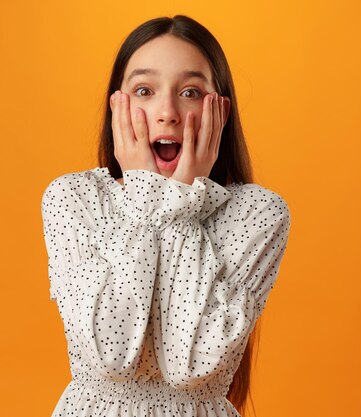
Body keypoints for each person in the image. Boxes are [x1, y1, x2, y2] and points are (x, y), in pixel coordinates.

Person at [41, 15, 291, 417]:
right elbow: (112, 354)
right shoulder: (74, 198)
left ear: (220, 110)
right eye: (144, 90)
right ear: (116, 106)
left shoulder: (258, 213)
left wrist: (179, 206)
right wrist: (146, 196)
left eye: (191, 92)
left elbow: (188, 365)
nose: (167, 112)